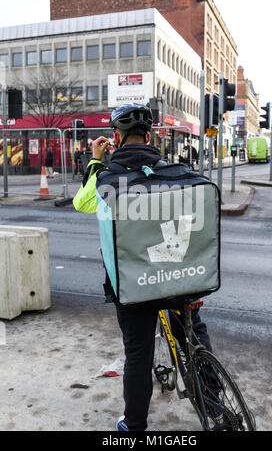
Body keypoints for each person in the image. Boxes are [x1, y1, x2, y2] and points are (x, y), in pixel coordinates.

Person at [73, 103, 214, 432]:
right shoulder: (177, 172)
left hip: (135, 283)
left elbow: (82, 203)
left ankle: (134, 425)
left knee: (138, 354)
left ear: (115, 139)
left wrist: (96, 159)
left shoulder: (108, 179)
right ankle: (216, 400)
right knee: (193, 334)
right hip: (180, 277)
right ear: (149, 137)